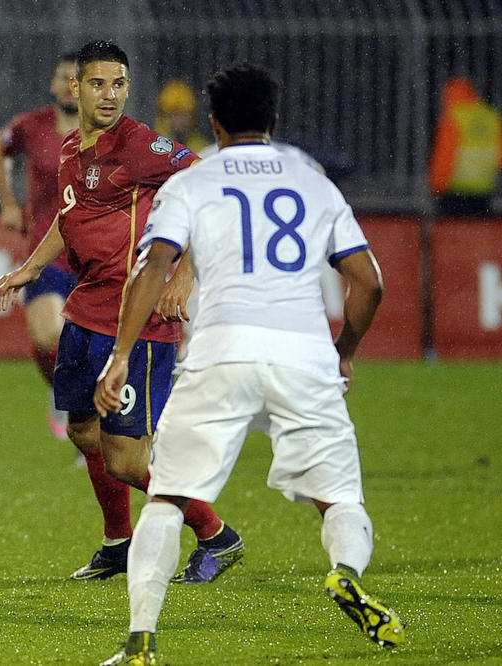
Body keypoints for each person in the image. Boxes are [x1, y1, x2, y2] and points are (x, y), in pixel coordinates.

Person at [95, 63, 404, 665]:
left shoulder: (195, 179)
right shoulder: (314, 181)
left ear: (214, 122)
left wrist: (122, 354)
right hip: (305, 355)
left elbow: (154, 266)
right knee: (340, 499)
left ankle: (139, 643)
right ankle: (345, 571)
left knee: (167, 499)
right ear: (274, 120)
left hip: (221, 350)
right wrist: (343, 353)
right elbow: (368, 281)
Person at [0, 40, 244, 583]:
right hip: (86, 309)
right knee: (84, 431)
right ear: (74, 89)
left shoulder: (140, 146)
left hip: (138, 315)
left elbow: (206, 186)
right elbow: (68, 218)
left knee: (127, 460)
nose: (110, 95)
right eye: (99, 83)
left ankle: (217, 535)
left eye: (120, 84)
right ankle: (118, 543)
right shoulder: (67, 150)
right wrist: (32, 268)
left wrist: (184, 271)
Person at [0, 53, 79, 440]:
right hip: (44, 253)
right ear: (54, 84)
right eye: (63, 77)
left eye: (78, 78)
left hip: (95, 256)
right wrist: (8, 202)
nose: (69, 84)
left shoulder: (108, 132)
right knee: (47, 338)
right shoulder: (32, 125)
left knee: (90, 346)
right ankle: (63, 395)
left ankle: (82, 411)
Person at [428, 75, 502, 216]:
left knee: (455, 235)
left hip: (455, 193)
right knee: (479, 233)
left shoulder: (453, 118)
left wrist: (436, 186)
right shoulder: (491, 117)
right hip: (484, 193)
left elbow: (444, 157)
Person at [153, 79, 210, 153]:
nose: (180, 120)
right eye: (175, 114)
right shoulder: (152, 148)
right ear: (164, 117)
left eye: (185, 115)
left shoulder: (201, 149)